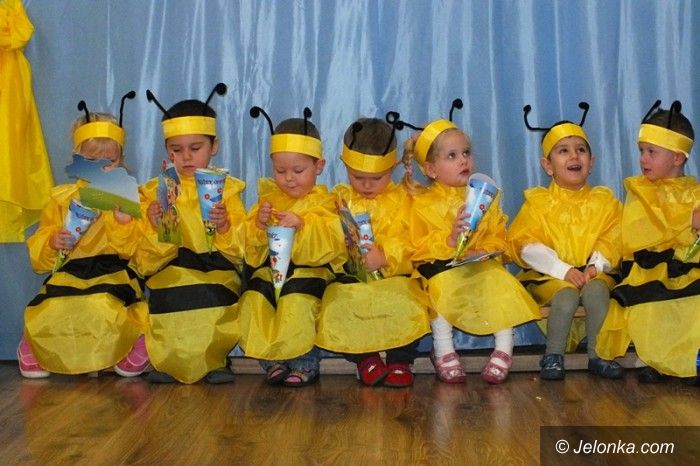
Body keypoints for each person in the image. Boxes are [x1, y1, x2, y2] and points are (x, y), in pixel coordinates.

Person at [403, 100, 540, 385]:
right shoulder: (421, 203)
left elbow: (498, 234)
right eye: (452, 156)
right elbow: (416, 246)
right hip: (441, 270)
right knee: (440, 288)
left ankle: (504, 349)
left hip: (477, 266)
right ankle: (443, 349)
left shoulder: (484, 196)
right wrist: (450, 239)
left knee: (499, 282)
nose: (463, 160)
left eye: (466, 153)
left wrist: (484, 249)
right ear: (430, 169)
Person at [18, 95, 148, 378]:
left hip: (111, 271)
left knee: (103, 306)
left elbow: (138, 252)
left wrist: (123, 223)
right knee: (55, 307)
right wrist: (53, 241)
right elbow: (40, 250)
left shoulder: (128, 197)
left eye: (109, 161)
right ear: (77, 159)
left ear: (121, 161)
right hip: (70, 272)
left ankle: (133, 340)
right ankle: (35, 343)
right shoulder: (62, 198)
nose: (100, 168)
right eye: (91, 160)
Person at [135, 83, 246, 384]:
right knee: (170, 297)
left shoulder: (227, 189)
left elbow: (242, 249)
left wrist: (225, 227)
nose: (186, 157)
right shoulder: (155, 190)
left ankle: (215, 360)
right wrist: (156, 226)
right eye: (176, 150)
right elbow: (144, 261)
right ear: (167, 150)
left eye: (195, 149)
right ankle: (168, 361)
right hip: (171, 267)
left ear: (214, 147)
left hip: (216, 268)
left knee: (211, 296)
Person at [508, 103, 624, 380]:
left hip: (595, 273)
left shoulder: (605, 202)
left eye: (581, 149)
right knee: (566, 295)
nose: (574, 156)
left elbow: (614, 237)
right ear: (548, 166)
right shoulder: (539, 203)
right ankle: (553, 355)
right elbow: (525, 244)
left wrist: (595, 267)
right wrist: (563, 270)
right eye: (563, 150)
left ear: (591, 162)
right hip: (551, 276)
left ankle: (599, 354)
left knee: (597, 292)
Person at [315, 116, 431, 388]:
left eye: (376, 178)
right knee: (336, 303)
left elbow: (418, 242)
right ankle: (365, 358)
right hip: (353, 279)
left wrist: (387, 256)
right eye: (358, 177)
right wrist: (346, 253)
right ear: (345, 165)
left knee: (407, 300)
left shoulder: (407, 199)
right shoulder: (338, 200)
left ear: (393, 166)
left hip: (394, 276)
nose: (366, 185)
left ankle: (400, 359)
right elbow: (326, 242)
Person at [238, 107, 345, 387]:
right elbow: (248, 249)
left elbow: (332, 243)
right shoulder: (268, 200)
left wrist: (303, 225)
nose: (288, 178)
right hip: (272, 270)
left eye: (298, 170)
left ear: (318, 166)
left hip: (310, 270)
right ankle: (271, 359)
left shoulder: (325, 202)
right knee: (255, 298)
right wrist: (259, 225)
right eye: (280, 170)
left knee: (297, 300)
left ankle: (304, 360)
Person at [596, 100, 700, 384]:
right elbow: (642, 228)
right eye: (642, 151)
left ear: (677, 158)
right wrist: (687, 221)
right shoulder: (640, 190)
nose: (643, 159)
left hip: (687, 264)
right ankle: (659, 360)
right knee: (651, 308)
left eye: (651, 152)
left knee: (692, 304)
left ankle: (688, 362)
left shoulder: (694, 191)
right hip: (648, 266)